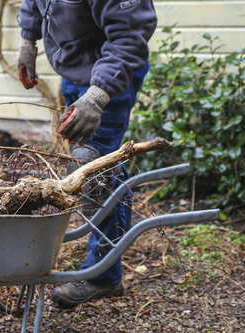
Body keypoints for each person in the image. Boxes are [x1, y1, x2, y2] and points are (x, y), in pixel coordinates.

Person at [17, 0, 157, 307]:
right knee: (102, 173)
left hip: (109, 77)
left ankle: (103, 277)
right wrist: (29, 41)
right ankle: (108, 264)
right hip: (75, 70)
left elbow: (130, 35)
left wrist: (96, 97)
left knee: (93, 174)